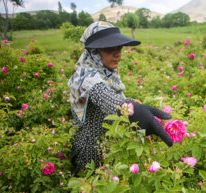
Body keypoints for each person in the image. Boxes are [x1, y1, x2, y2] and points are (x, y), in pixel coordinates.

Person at [68, 21, 173, 173]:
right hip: (90, 151)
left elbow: (111, 95)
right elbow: (104, 97)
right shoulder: (86, 77)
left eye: (119, 48)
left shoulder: (106, 73)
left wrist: (130, 102)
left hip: (109, 146)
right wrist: (133, 110)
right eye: (110, 49)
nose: (117, 54)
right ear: (95, 52)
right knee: (89, 190)